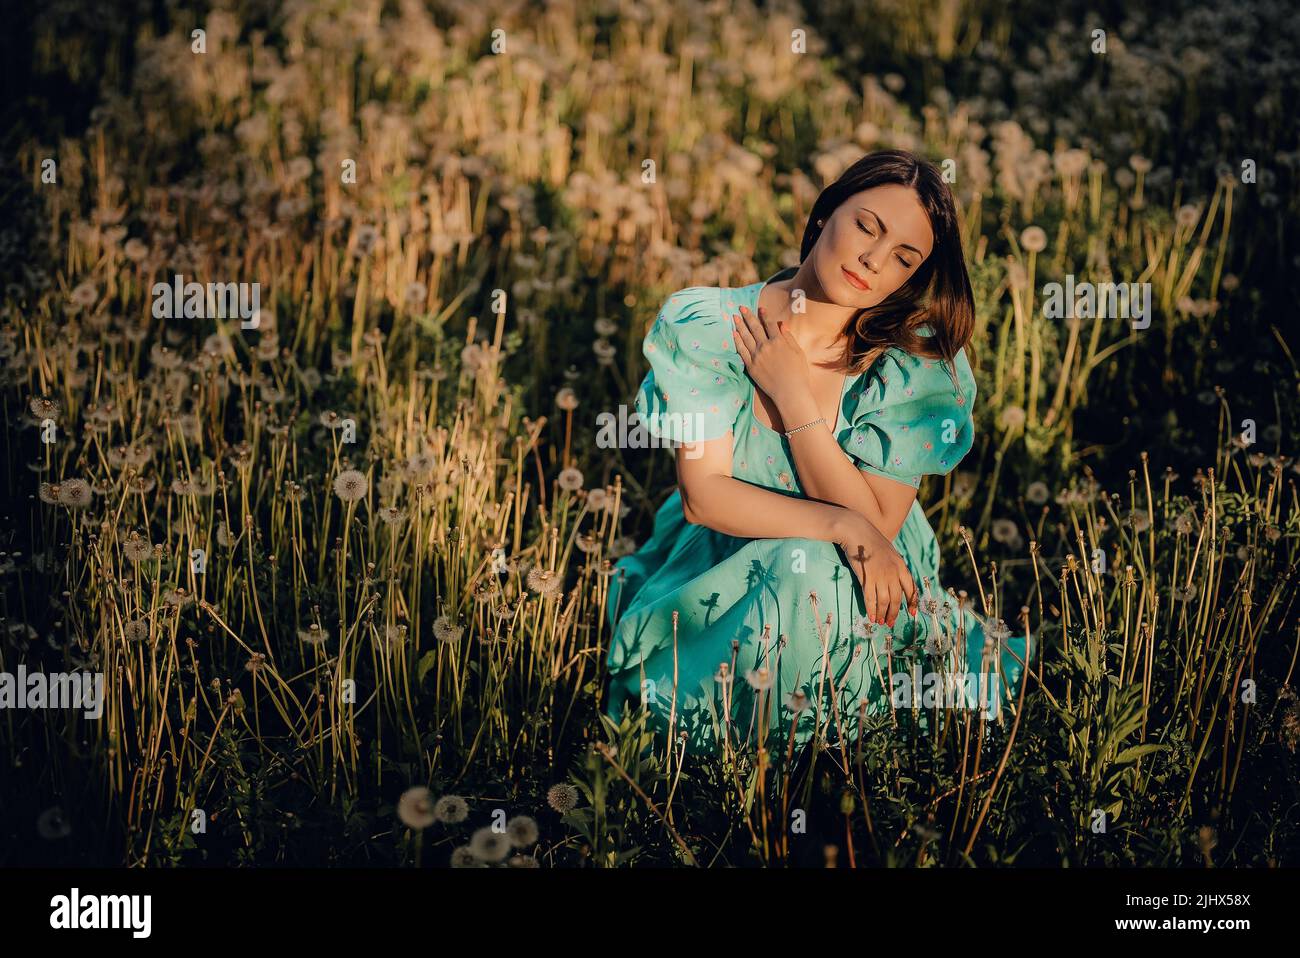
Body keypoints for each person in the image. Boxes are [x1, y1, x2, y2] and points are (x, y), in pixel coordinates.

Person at [604, 149, 1033, 759]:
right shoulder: (710, 325)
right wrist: (840, 522)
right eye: (867, 226)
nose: (873, 260)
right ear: (826, 210)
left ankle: (813, 762)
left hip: (870, 574)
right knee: (797, 565)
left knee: (814, 575)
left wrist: (794, 399)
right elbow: (705, 496)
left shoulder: (913, 363)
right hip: (731, 556)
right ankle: (754, 763)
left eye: (903, 258)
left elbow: (880, 526)